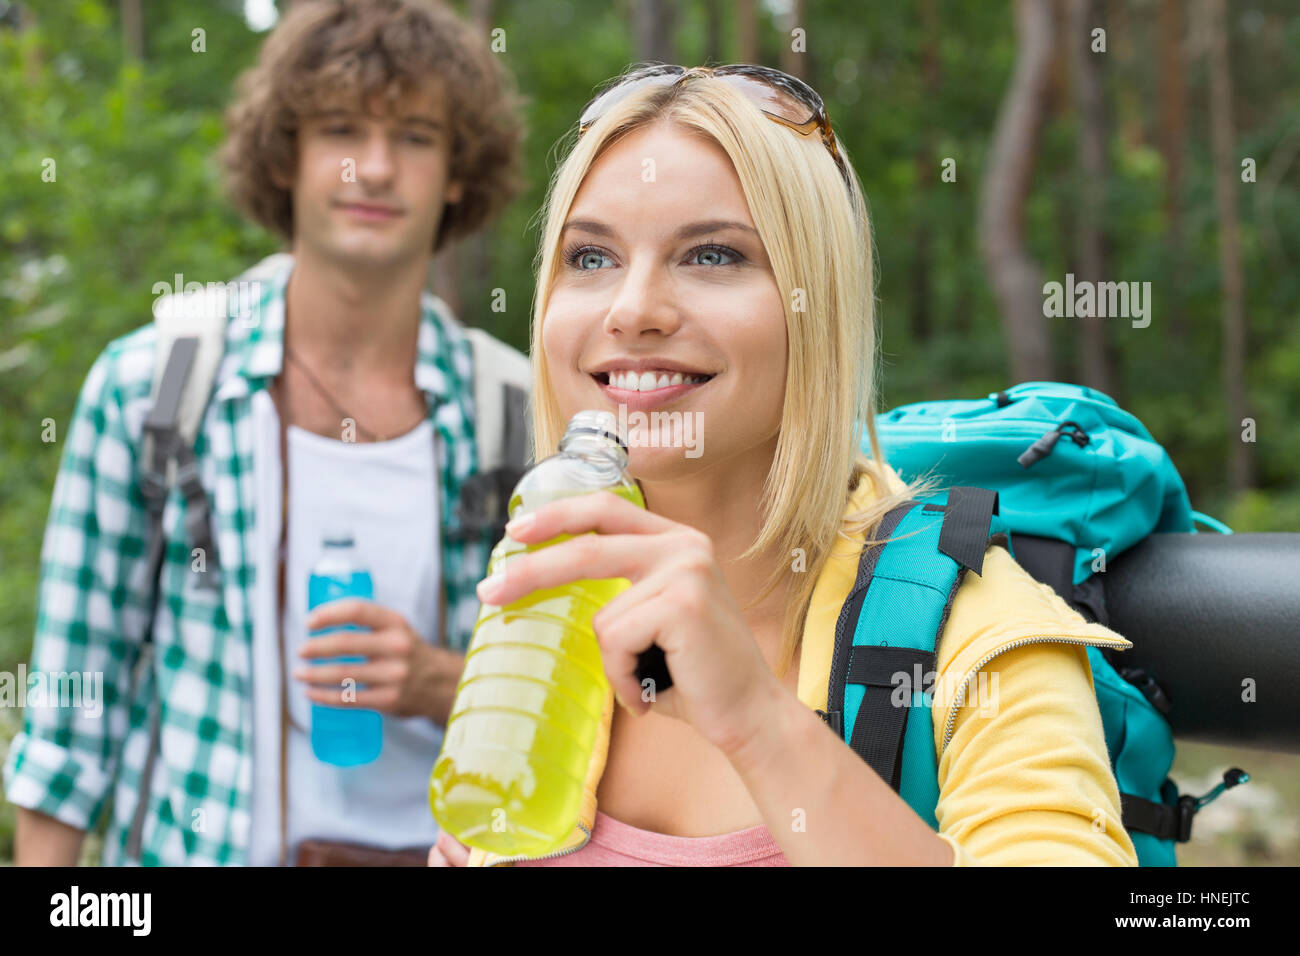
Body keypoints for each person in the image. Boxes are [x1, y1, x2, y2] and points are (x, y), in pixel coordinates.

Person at [430, 63, 1139, 867]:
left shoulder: (980, 635)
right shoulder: (545, 593)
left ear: (817, 301)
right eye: (591, 258)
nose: (632, 310)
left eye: (711, 256)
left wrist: (759, 721)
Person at [5, 0, 525, 866]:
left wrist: (443, 681)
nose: (377, 167)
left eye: (418, 137)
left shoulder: (512, 410)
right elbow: (69, 713)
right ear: (286, 156)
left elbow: (588, 713)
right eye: (341, 128)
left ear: (460, 171)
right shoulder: (155, 388)